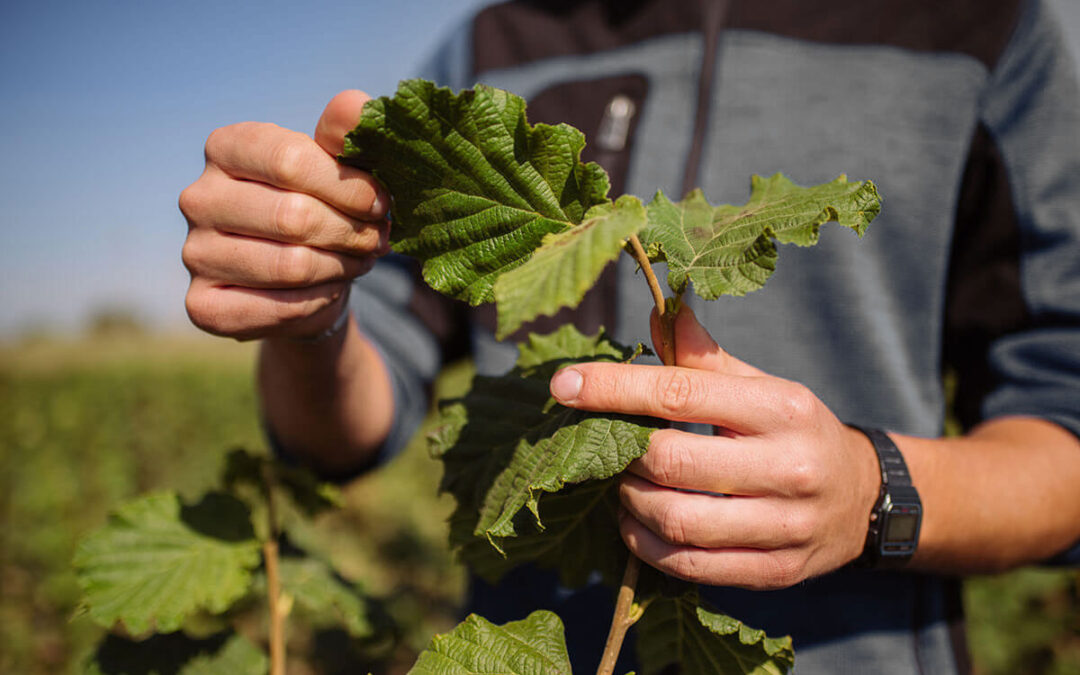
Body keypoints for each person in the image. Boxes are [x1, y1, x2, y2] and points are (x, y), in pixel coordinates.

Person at [178, 0, 1080, 671]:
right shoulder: (500, 42)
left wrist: (871, 492)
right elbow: (345, 428)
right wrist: (310, 308)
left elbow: (1064, 434)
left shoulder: (982, 27)